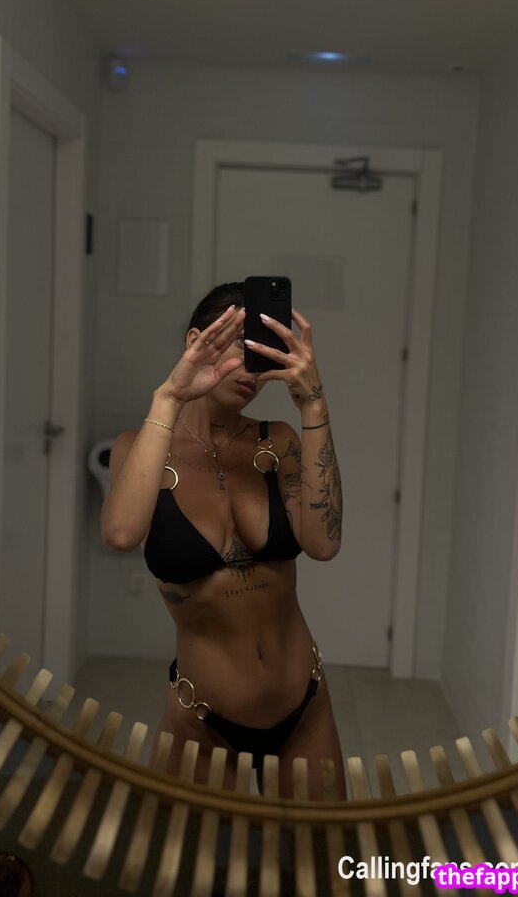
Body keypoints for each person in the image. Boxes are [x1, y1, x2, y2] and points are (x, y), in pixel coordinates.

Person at [101, 282, 346, 799]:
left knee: (320, 850)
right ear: (197, 342)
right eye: (242, 347)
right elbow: (121, 533)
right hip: (202, 722)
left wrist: (313, 403)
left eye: (265, 355)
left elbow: (323, 545)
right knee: (195, 853)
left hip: (305, 707)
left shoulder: (277, 441)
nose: (254, 371)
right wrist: (170, 396)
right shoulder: (138, 448)